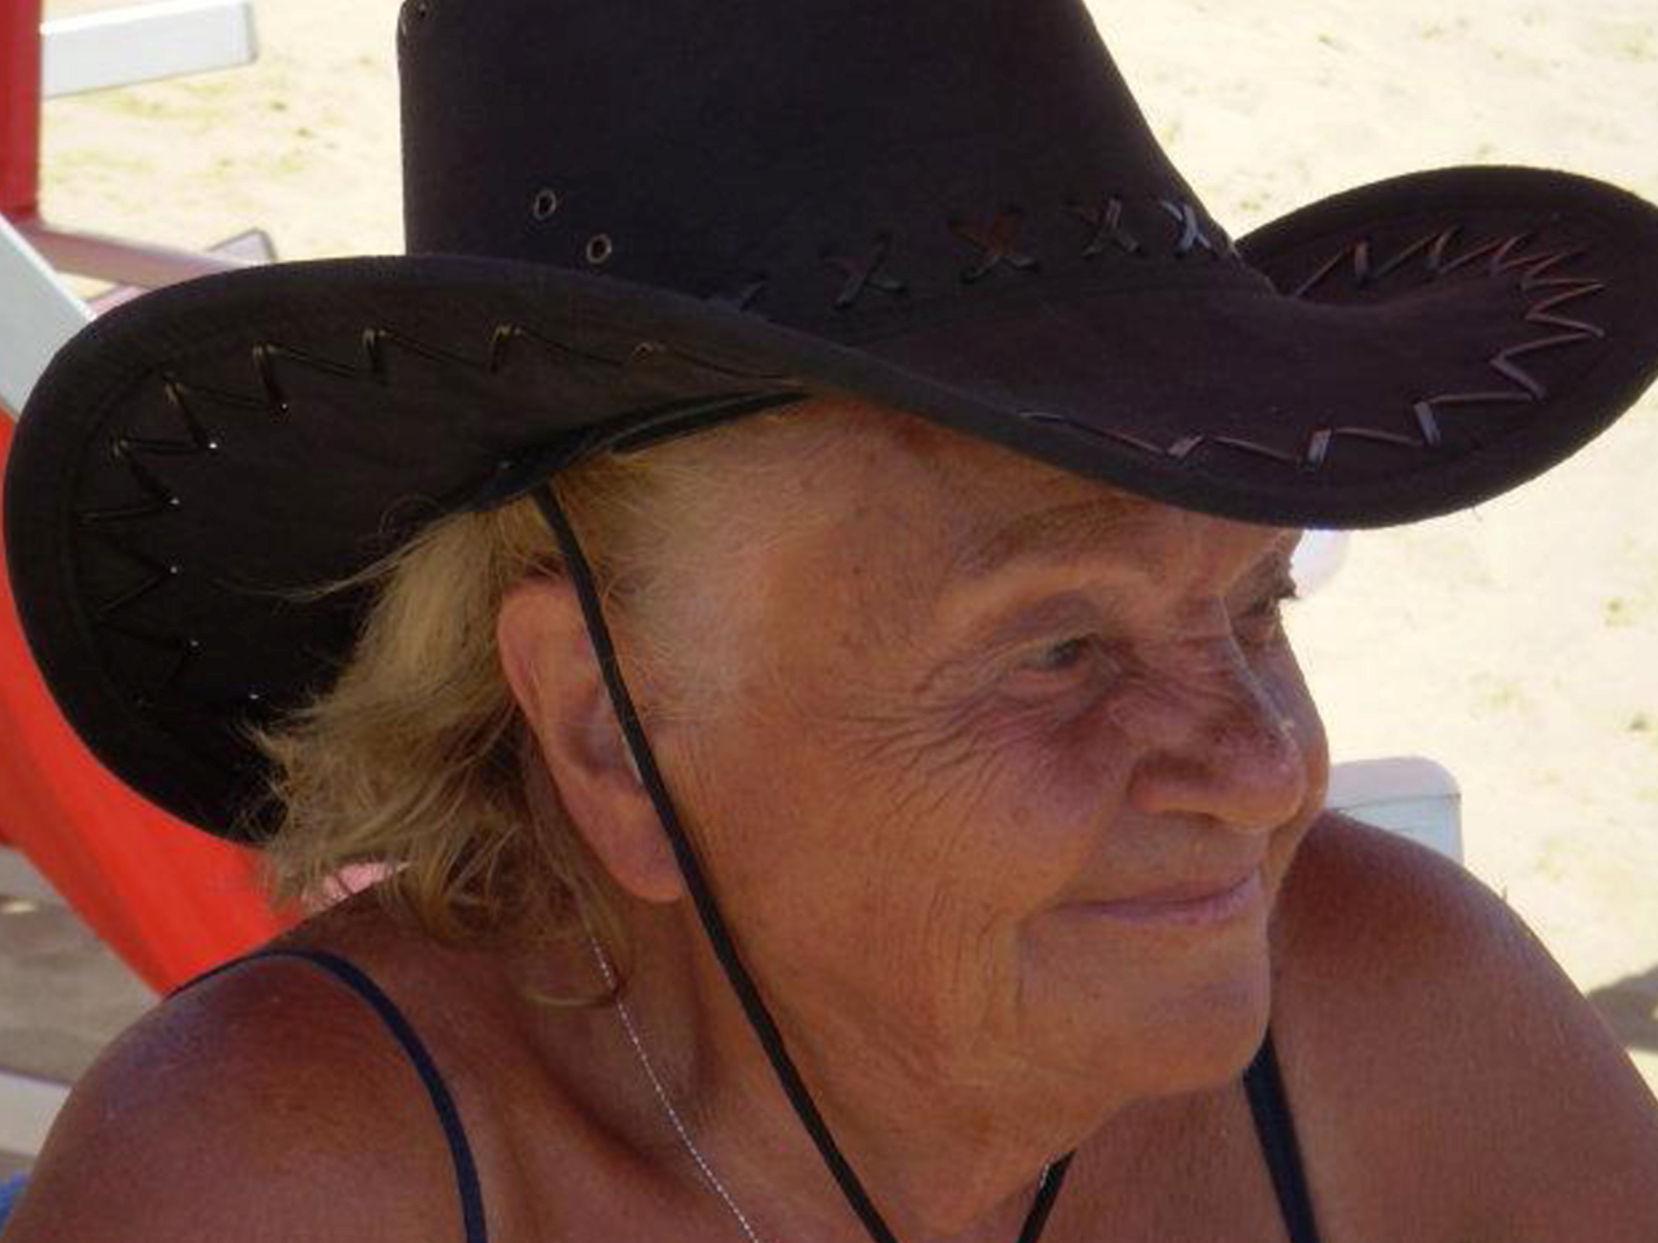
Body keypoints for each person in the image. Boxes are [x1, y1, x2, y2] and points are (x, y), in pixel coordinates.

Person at [4, 1, 1658, 1240]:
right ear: (610, 725)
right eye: (1058, 650)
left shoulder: (1389, 1018)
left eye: (1258, 600)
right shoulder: (292, 1185)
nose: (1263, 767)